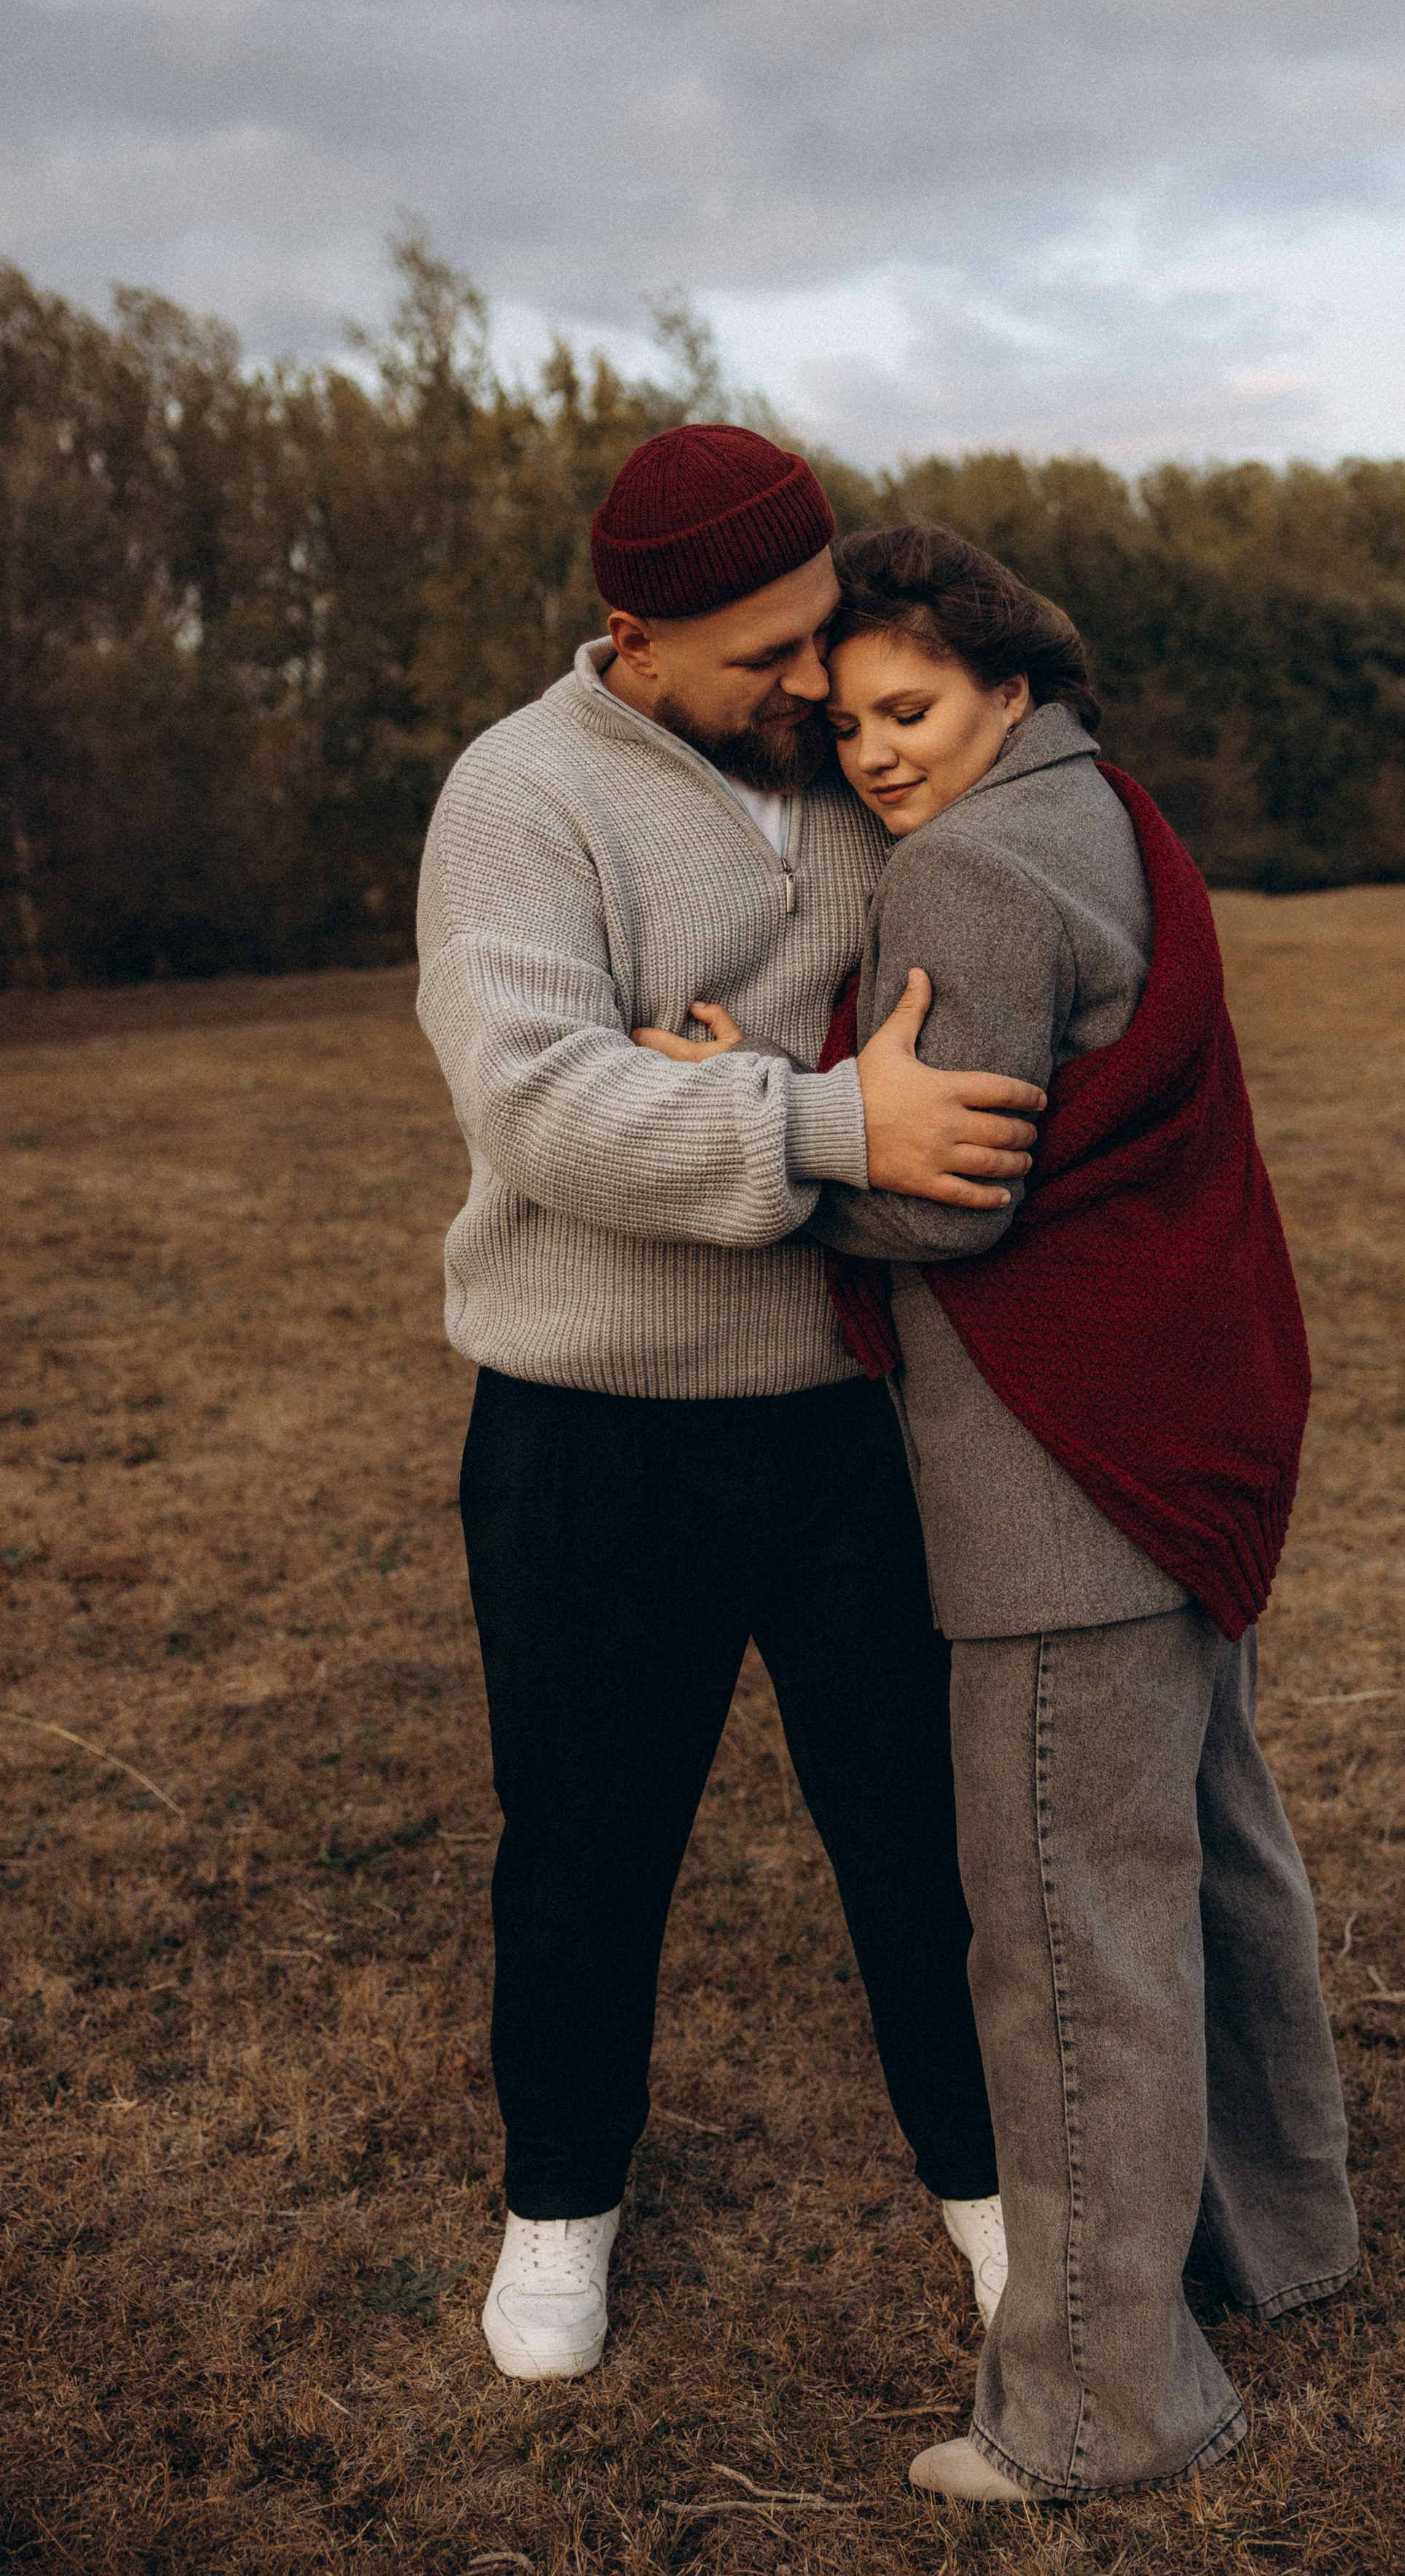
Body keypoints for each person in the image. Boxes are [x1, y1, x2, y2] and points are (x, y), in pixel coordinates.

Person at [643, 522, 1357, 2500]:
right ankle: (1282, 2243)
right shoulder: (1110, 813)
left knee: (1064, 1930)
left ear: (1005, 686)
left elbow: (936, 1188)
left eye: (911, 706)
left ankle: (1097, 2406)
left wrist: (764, 1125)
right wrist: (827, 1087)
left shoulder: (968, 867)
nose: (873, 751)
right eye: (850, 717)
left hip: (1062, 1474)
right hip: (1184, 1443)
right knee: (1211, 1851)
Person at [416, 431, 1045, 2382]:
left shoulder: (852, 764)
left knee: (919, 1832)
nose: (816, 680)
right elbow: (541, 1103)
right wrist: (819, 1114)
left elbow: (944, 992)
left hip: (850, 1406)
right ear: (637, 641)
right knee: (588, 1840)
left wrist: (716, 1077)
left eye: (825, 628)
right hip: (588, 1429)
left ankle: (991, 2189)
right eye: (771, 652)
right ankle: (560, 2206)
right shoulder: (517, 802)